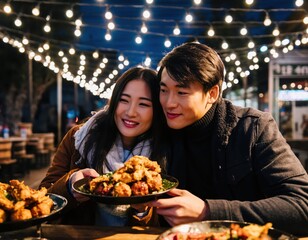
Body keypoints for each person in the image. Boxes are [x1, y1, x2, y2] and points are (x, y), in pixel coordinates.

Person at [146, 42, 308, 237]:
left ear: (212, 94)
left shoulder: (253, 128)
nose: (169, 103)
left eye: (182, 92)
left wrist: (208, 212)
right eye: (164, 90)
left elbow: (302, 205)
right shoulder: (158, 129)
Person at [39, 66, 168, 226]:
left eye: (143, 104)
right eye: (123, 100)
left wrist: (142, 211)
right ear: (114, 102)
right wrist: (69, 185)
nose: (131, 112)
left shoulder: (165, 149)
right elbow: (43, 198)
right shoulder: (79, 137)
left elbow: (165, 223)